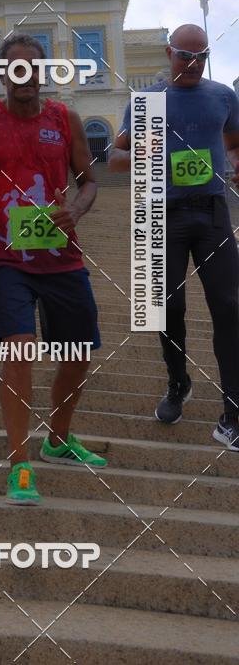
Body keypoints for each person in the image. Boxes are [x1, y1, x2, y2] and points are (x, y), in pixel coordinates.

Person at [0, 33, 106, 506]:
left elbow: (89, 181)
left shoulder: (65, 119)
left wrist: (75, 209)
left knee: (78, 352)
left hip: (61, 255)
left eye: (32, 67)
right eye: (14, 67)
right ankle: (20, 463)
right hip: (6, 257)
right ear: (2, 74)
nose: (24, 75)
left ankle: (57, 439)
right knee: (19, 348)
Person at [109, 24, 239, 448]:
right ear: (169, 53)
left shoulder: (223, 96)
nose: (194, 64)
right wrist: (153, 156)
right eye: (186, 55)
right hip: (161, 213)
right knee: (165, 308)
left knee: (229, 306)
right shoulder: (146, 102)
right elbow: (116, 157)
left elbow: (234, 142)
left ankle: (233, 410)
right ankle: (177, 382)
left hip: (213, 212)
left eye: (202, 56)